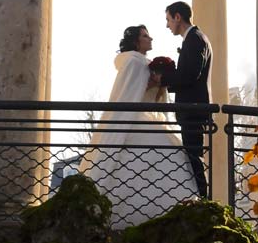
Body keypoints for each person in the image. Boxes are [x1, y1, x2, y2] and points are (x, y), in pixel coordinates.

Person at [79, 24, 198, 228]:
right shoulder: (133, 62)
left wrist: (160, 83)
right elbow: (128, 94)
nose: (150, 38)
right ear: (136, 41)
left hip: (148, 117)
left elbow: (155, 100)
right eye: (145, 36)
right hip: (134, 119)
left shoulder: (146, 64)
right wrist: (150, 83)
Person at [151, 1, 212, 197]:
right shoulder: (195, 38)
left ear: (178, 17)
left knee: (194, 159)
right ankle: (200, 199)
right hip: (192, 109)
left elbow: (190, 75)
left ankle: (203, 200)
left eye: (168, 19)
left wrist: (163, 79)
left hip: (193, 110)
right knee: (193, 158)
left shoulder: (195, 39)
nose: (167, 25)